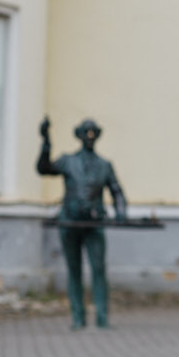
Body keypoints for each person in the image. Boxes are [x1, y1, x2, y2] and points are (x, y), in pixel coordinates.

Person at [37, 117, 127, 330]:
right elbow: (44, 169)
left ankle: (102, 317)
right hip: (70, 223)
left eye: (93, 132)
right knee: (74, 270)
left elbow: (117, 190)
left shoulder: (105, 165)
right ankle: (78, 318)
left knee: (98, 269)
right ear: (78, 135)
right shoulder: (68, 161)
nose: (89, 136)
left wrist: (121, 212)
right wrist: (46, 141)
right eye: (86, 132)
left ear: (96, 136)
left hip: (94, 224)